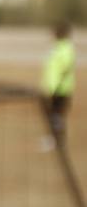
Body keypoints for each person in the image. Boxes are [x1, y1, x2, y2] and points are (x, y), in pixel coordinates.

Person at [41, 21, 74, 151]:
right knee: (53, 114)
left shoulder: (66, 48)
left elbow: (66, 67)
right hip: (52, 87)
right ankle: (53, 138)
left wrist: (57, 85)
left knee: (57, 115)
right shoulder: (57, 47)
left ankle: (58, 140)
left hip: (61, 89)